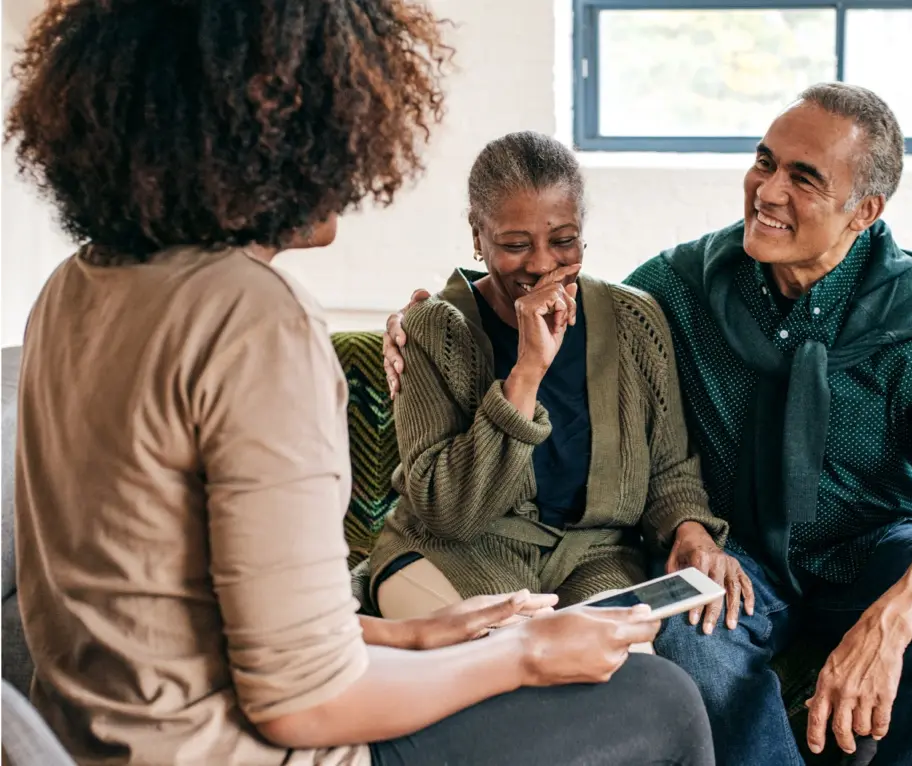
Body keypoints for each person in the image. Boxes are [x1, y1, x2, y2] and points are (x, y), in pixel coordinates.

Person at [5, 2, 715, 765]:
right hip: (237, 751)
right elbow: (304, 702)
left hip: (93, 738)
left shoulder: (72, 286)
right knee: (663, 701)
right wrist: (525, 653)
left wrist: (407, 635)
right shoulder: (254, 319)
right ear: (261, 141)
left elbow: (192, 606)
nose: (353, 159)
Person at [383, 83, 912, 765]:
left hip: (875, 553)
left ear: (864, 211)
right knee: (691, 638)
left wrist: (891, 621)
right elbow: (564, 303)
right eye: (765, 161)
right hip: (739, 557)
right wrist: (432, 317)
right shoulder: (686, 283)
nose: (768, 189)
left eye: (804, 177)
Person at [366, 131, 748, 633]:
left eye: (563, 240)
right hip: (453, 555)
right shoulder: (433, 329)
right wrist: (527, 370)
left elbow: (670, 471)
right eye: (514, 244)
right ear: (477, 234)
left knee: (619, 670)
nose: (542, 263)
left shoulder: (635, 321)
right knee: (484, 666)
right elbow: (449, 514)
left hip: (592, 558)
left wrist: (692, 531)